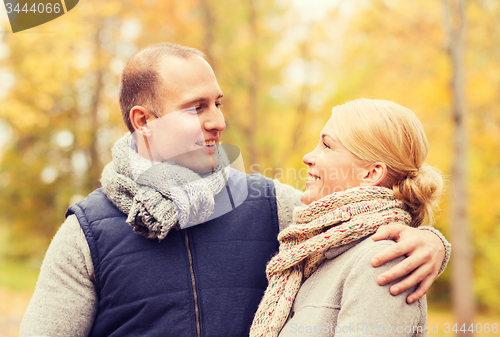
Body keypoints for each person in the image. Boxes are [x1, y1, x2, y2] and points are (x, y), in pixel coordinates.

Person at [20, 44, 450, 337]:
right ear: (143, 121)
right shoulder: (87, 234)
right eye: (196, 107)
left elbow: (351, 222)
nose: (218, 122)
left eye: (218, 103)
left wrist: (430, 241)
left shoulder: (269, 205)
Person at [250, 99, 445, 337]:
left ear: (371, 173)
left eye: (327, 146)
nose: (308, 156)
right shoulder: (316, 250)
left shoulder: (382, 261)